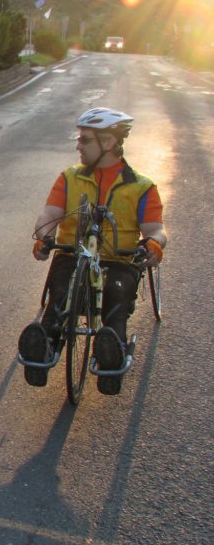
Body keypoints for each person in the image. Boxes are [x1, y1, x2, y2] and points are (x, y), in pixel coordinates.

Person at [18, 107, 167, 394]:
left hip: (119, 260)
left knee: (117, 296)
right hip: (73, 254)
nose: (78, 145)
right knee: (60, 292)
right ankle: (45, 345)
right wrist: (44, 237)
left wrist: (154, 243)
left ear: (109, 143)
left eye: (85, 140)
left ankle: (112, 349)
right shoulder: (69, 177)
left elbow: (155, 229)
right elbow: (49, 215)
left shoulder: (142, 187)